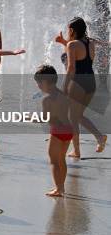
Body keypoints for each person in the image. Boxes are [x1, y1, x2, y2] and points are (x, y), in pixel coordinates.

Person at [55, 17, 107, 157]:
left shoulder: (72, 45)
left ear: (72, 30)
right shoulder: (90, 42)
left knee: (73, 117)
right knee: (78, 116)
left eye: (68, 29)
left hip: (78, 83)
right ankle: (100, 137)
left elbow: (71, 68)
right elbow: (80, 50)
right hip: (91, 82)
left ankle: (76, 150)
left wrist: (64, 87)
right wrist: (63, 42)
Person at [34, 65, 72, 197]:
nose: (38, 85)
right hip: (68, 130)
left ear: (46, 82)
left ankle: (58, 188)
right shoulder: (63, 95)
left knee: (54, 161)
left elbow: (44, 118)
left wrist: (27, 118)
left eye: (39, 82)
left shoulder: (47, 99)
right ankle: (62, 186)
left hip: (57, 131)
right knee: (61, 159)